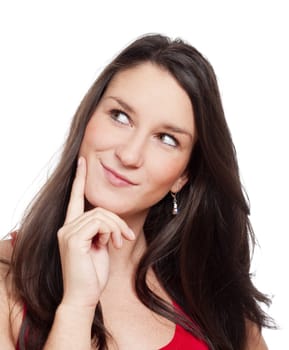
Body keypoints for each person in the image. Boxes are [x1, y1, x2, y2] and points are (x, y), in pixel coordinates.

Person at [0, 33, 273, 350]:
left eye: (167, 138)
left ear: (183, 176)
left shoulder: (214, 295)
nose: (129, 155)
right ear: (87, 117)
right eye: (120, 116)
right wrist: (77, 306)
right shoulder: (7, 276)